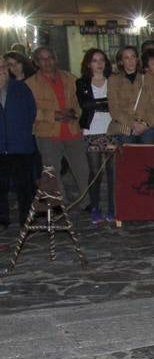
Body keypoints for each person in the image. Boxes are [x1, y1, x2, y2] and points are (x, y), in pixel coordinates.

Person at [27, 46, 86, 205]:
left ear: (56, 58)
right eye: (42, 59)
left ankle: (87, 201)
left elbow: (80, 102)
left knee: (82, 169)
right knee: (52, 171)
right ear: (37, 62)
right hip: (48, 134)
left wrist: (74, 113)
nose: (47, 62)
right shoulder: (30, 84)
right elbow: (30, 111)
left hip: (72, 130)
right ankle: (60, 203)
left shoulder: (70, 78)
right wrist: (54, 115)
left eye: (50, 58)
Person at [76, 48, 116, 223]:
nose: (99, 64)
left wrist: (101, 104)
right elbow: (86, 104)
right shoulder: (82, 83)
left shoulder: (113, 81)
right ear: (88, 64)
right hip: (92, 130)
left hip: (112, 129)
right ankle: (95, 207)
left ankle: (113, 207)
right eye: (94, 60)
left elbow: (118, 104)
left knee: (112, 170)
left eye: (101, 60)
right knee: (95, 171)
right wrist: (106, 103)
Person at [0, 54, 37, 228]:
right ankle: (2, 219)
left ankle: (26, 218)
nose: (1, 71)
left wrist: (22, 133)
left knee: (25, 186)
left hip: (20, 145)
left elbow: (31, 112)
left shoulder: (20, 88)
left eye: (3, 67)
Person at [107, 45, 154, 147]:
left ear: (137, 59)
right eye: (126, 58)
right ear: (121, 61)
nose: (131, 60)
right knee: (129, 159)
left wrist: (145, 123)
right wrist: (133, 124)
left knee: (148, 159)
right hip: (125, 128)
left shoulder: (148, 78)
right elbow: (114, 108)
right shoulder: (114, 80)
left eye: (133, 57)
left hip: (147, 127)